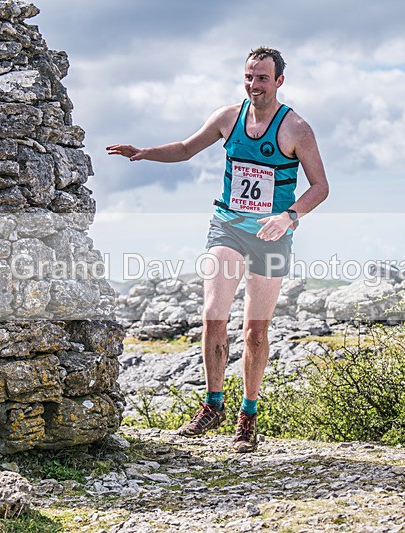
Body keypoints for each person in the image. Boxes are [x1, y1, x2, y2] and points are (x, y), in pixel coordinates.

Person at [106, 47, 329, 453]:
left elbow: (320, 187)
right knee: (213, 316)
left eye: (262, 78)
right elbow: (186, 148)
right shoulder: (228, 117)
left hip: (272, 235)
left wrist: (289, 217)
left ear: (279, 81)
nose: (254, 85)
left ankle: (248, 415)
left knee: (255, 329)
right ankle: (213, 405)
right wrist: (144, 153)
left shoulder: (297, 129)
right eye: (249, 76)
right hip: (227, 225)